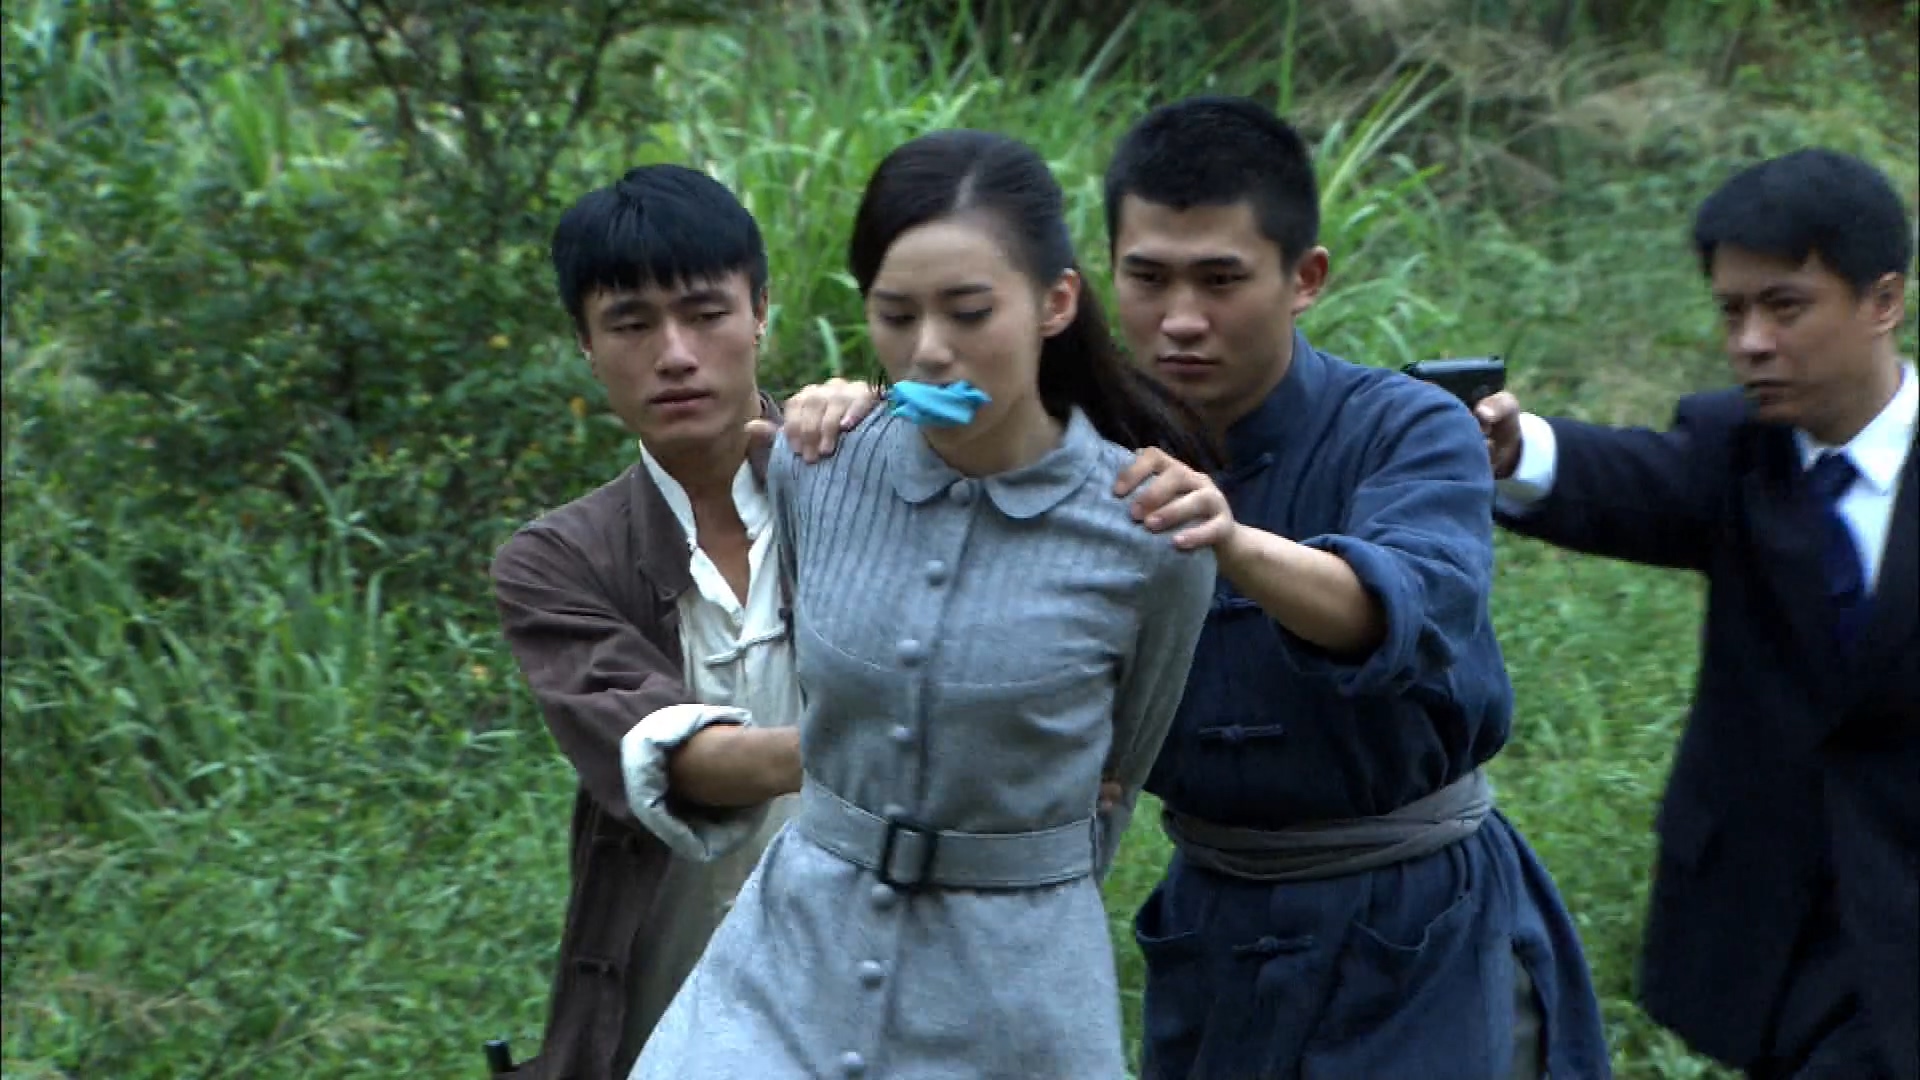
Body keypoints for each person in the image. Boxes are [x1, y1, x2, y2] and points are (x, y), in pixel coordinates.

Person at [629, 128, 1219, 1079]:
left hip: (1013, 992)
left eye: (969, 311)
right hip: (793, 964)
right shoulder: (816, 470)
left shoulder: (1149, 531)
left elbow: (1121, 771)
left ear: (1056, 301)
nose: (930, 351)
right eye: (895, 315)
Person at [1064, 95, 1611, 1079]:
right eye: (1147, 278)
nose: (1180, 320)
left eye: (1221, 280)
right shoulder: (1083, 448)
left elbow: (1399, 605)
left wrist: (1232, 540)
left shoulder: (1409, 428)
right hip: (1214, 926)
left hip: (1415, 925)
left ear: (1305, 279)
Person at [1478, 147, 1918, 1080]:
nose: (1750, 341)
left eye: (1784, 307)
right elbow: (1629, 477)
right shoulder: (1734, 454)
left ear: (1883, 301)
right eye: (1731, 310)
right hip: (1773, 929)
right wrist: (1511, 451)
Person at [488, 163, 872, 1080]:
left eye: (705, 313)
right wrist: (903, 746)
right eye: (630, 324)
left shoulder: (870, 474)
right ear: (586, 345)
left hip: (877, 989)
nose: (674, 353)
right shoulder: (561, 560)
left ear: (760, 310)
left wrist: (885, 437)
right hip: (673, 1009)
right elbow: (676, 758)